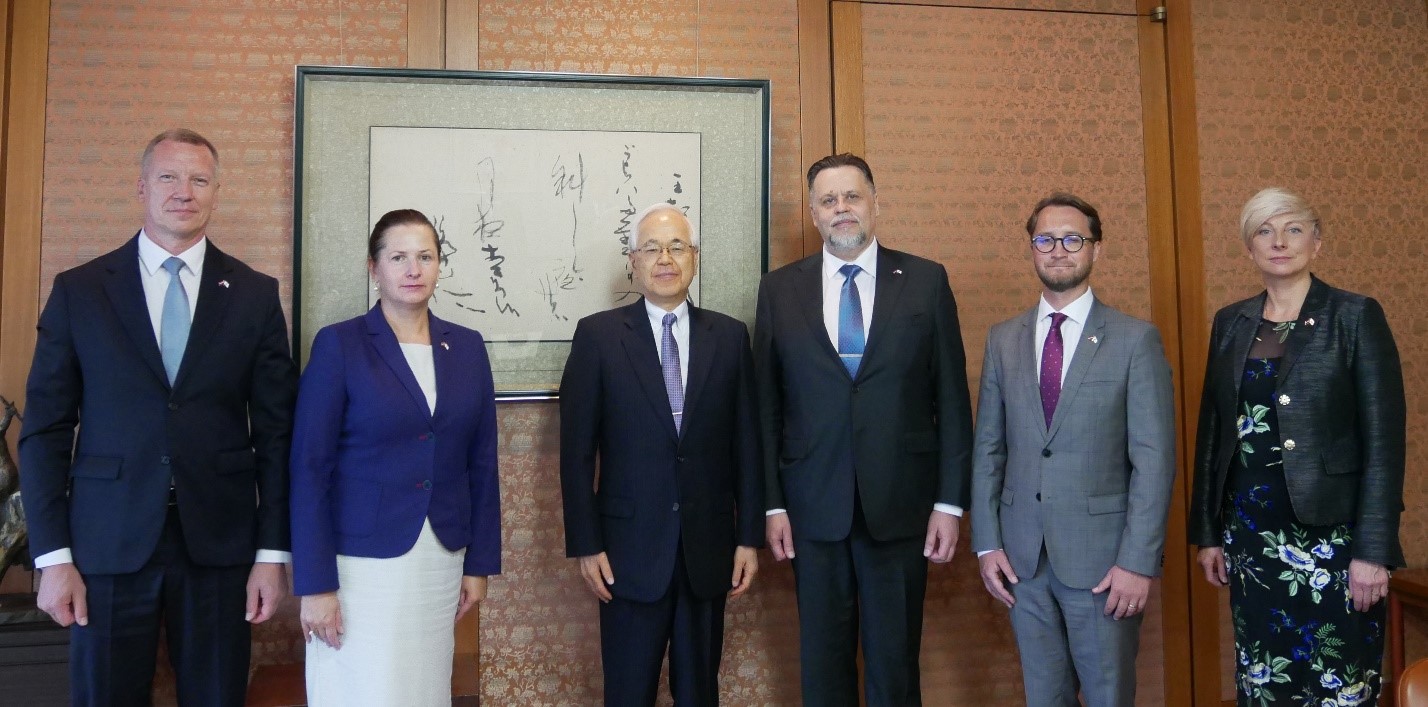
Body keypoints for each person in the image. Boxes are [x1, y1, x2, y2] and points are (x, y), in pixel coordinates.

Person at [19, 128, 298, 706]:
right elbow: (45, 432)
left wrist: (272, 554)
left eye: (199, 179)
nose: (184, 192)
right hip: (105, 544)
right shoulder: (81, 291)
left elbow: (277, 435)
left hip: (221, 546)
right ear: (141, 187)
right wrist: (52, 558)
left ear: (216, 191)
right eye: (169, 177)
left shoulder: (253, 294)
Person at [754, 153, 973, 705]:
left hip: (901, 507)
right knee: (823, 669)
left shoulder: (925, 280)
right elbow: (767, 408)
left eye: (852, 196)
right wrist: (773, 505)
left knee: (895, 666)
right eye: (828, 201)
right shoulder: (780, 291)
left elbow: (950, 398)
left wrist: (950, 504)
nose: (841, 209)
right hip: (812, 507)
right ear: (812, 214)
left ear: (875, 202)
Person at [1190, 187, 1404, 705]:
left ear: (1317, 243)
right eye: (1264, 230)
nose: (1279, 241)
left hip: (1337, 542)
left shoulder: (1354, 316)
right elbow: (1214, 431)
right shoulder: (1230, 322)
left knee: (1340, 683)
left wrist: (1373, 552)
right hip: (1252, 537)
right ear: (1249, 248)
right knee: (1265, 682)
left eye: (1293, 229)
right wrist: (1207, 532)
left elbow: (1384, 441)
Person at [970, 193, 1176, 706]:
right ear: (1032, 248)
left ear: (1095, 250)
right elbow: (989, 450)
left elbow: (1154, 462)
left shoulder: (1135, 341)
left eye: (1072, 239)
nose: (1058, 249)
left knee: (1108, 695)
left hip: (1106, 564)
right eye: (1045, 239)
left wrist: (1137, 561)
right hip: (1023, 562)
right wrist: (987, 542)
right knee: (1044, 697)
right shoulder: (1002, 340)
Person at [289, 208, 500, 706]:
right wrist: (314, 584)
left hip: (440, 556)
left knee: (422, 688)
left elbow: (482, 463)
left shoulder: (466, 347)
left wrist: (479, 565)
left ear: (439, 265)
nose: (413, 269)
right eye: (398, 257)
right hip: (359, 564)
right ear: (373, 268)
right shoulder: (340, 344)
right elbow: (309, 468)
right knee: (362, 686)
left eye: (425, 256)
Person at [559, 203, 763, 706]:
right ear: (633, 261)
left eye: (677, 247)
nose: (665, 258)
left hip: (708, 548)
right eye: (652, 248)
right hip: (626, 552)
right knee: (628, 692)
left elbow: (748, 445)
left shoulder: (730, 337)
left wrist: (747, 538)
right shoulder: (599, 336)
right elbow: (576, 452)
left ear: (694, 257)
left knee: (700, 692)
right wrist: (586, 543)